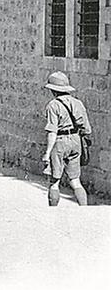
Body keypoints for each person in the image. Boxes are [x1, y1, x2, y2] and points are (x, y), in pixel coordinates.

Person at [42, 71, 91, 206]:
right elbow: (87, 129)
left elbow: (52, 132)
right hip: (76, 141)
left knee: (54, 181)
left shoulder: (53, 105)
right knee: (75, 180)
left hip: (60, 142)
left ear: (53, 90)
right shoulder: (78, 103)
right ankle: (85, 209)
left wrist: (47, 153)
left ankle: (53, 212)